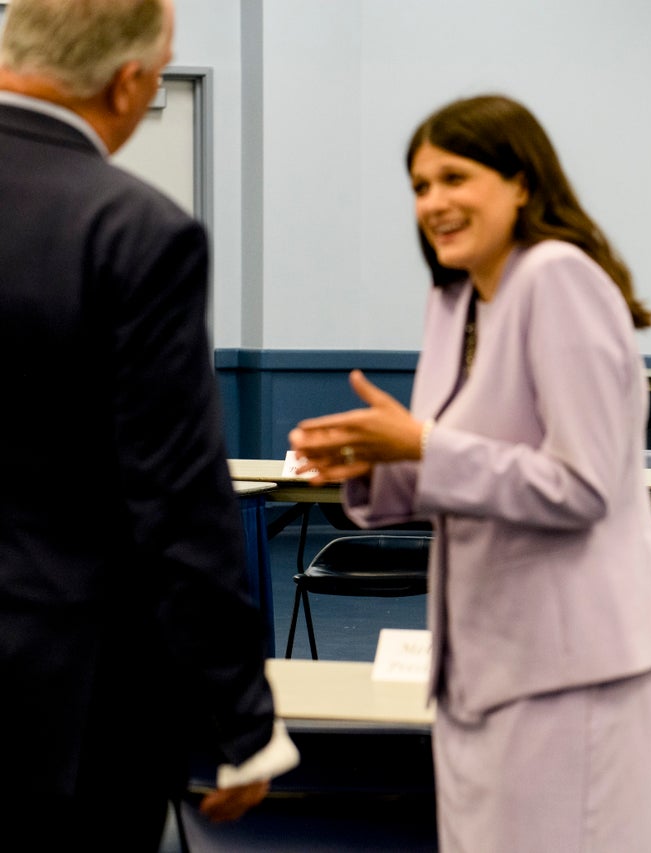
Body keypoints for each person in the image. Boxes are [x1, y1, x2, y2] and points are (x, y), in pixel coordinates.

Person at [289, 94, 651, 853]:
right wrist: (374, 461)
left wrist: (420, 444)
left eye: (453, 178)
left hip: (571, 667)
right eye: (419, 185)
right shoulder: (455, 299)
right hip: (483, 662)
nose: (432, 202)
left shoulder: (558, 277)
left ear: (521, 182)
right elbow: (453, 465)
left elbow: (583, 485)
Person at [0, 0, 298, 846]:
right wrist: (240, 717)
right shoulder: (134, 231)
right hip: (61, 704)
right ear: (128, 83)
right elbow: (174, 497)